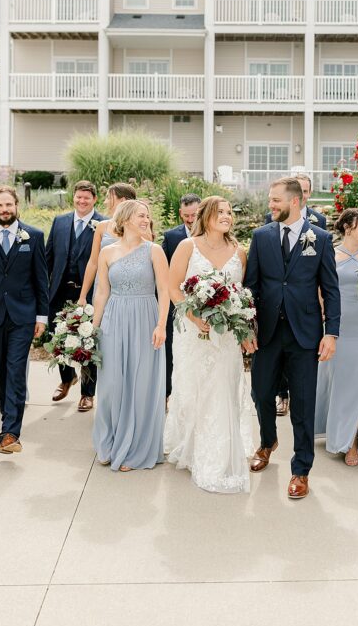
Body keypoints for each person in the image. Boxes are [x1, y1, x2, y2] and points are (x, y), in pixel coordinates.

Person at [243, 177, 340, 499]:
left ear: (295, 202)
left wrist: (332, 333)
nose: (270, 206)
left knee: (302, 404)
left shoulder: (321, 238)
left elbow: (330, 289)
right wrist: (246, 328)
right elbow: (251, 287)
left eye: (275, 201)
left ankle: (301, 469)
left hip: (305, 334)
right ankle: (267, 441)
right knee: (260, 394)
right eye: (270, 200)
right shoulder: (261, 236)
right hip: (268, 332)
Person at [164, 196, 254, 493]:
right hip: (194, 334)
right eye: (221, 212)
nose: (228, 216)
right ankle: (189, 446)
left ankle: (218, 453)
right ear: (206, 215)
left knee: (222, 389)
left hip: (226, 337)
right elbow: (172, 286)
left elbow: (243, 295)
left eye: (230, 211)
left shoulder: (239, 252)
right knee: (192, 390)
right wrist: (194, 317)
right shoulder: (187, 246)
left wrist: (243, 327)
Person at [91, 200, 169, 472]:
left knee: (140, 384)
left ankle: (135, 449)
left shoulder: (154, 251)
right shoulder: (107, 252)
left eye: (148, 216)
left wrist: (161, 325)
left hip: (145, 317)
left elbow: (164, 290)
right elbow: (101, 292)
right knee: (112, 384)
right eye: (141, 216)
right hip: (114, 318)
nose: (146, 220)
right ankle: (109, 442)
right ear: (125, 219)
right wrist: (92, 329)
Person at [0, 185, 49, 454]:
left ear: (17, 205)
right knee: (1, 373)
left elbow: (41, 279)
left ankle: (11, 433)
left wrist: (41, 316)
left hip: (23, 316)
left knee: (16, 372)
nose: (5, 210)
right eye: (0, 206)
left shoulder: (33, 236)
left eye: (9, 205)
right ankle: (7, 427)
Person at [314, 208, 358, 466]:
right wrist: (323, 311)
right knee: (341, 380)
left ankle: (354, 440)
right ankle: (336, 429)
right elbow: (320, 286)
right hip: (339, 323)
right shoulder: (330, 253)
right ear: (347, 227)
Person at [263, 173, 325, 416]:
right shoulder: (269, 223)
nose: (272, 205)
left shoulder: (318, 224)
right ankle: (282, 396)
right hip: (274, 314)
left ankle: (302, 451)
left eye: (307, 190)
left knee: (303, 386)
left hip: (304, 312)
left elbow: (320, 272)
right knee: (265, 385)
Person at [75, 182, 138, 411]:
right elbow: (93, 262)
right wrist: (83, 295)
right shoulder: (102, 226)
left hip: (127, 291)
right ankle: (90, 393)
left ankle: (124, 395)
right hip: (103, 291)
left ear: (122, 200)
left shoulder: (141, 225)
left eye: (109, 198)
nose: (106, 202)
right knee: (96, 339)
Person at [46, 180, 105, 408]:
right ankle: (66, 377)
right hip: (60, 290)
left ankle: (87, 393)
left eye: (86, 198)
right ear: (74, 197)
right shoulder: (60, 222)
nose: (81, 201)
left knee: (88, 341)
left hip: (89, 293)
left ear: (94, 200)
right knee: (58, 336)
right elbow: (49, 258)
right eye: (78, 197)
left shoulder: (104, 224)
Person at [162, 194, 201, 401]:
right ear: (180, 213)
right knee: (172, 349)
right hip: (174, 302)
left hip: (203, 301)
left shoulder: (210, 235)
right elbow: (163, 269)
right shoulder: (171, 237)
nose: (189, 219)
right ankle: (167, 393)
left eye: (193, 214)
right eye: (185, 215)